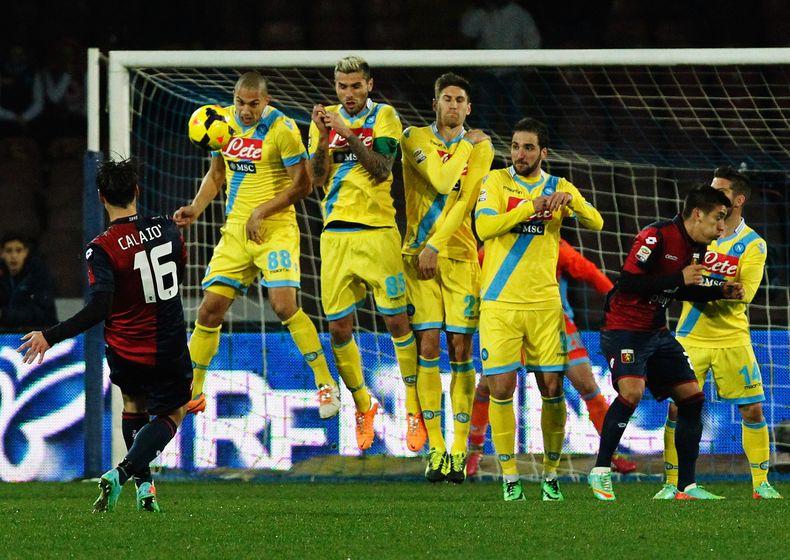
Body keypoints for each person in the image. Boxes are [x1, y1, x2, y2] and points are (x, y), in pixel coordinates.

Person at [16, 157, 191, 513]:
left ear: (100, 197)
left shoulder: (102, 247)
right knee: (172, 414)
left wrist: (50, 336)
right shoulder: (168, 228)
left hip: (126, 347)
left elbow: (99, 308)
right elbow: (178, 275)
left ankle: (146, 491)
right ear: (137, 191)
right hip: (168, 342)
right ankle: (125, 473)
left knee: (133, 406)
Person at [174, 71, 342, 422]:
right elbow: (217, 174)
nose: (246, 110)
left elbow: (304, 185)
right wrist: (196, 207)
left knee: (283, 305)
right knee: (209, 310)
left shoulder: (282, 129)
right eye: (240, 102)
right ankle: (192, 391)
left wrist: (262, 212)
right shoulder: (221, 123)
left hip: (275, 228)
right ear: (233, 99)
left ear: (266, 101)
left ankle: (326, 382)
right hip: (236, 230)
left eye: (253, 104)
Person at [475, 117, 603, 501]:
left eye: (528, 147)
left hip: (545, 306)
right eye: (515, 146)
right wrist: (530, 208)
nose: (519, 154)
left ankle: (550, 475)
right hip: (499, 303)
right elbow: (485, 228)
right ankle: (510, 477)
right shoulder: (496, 182)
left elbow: (596, 222)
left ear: (543, 152)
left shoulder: (558, 186)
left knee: (552, 388)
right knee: (501, 386)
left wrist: (571, 202)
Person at [589, 185, 744, 501]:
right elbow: (629, 282)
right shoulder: (655, 236)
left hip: (656, 332)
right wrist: (679, 279)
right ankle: (601, 471)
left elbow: (680, 289)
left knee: (692, 398)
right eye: (718, 218)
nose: (722, 228)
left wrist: (719, 292)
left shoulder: (697, 247)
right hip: (623, 328)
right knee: (631, 391)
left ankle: (685, 487)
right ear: (697, 214)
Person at [309, 55, 418, 451]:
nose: (349, 94)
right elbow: (317, 179)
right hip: (335, 236)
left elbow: (383, 168)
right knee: (338, 329)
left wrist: (347, 132)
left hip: (378, 234)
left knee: (397, 324)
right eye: (342, 87)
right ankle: (362, 405)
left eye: (356, 86)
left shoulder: (385, 116)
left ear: (369, 85)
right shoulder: (322, 123)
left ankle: (415, 410)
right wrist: (323, 138)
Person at [657, 167, 783, 500]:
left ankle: (761, 484)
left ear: (738, 199)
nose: (712, 195)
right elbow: (680, 279)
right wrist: (716, 285)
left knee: (752, 410)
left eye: (721, 191)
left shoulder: (753, 244)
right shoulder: (694, 234)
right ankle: (673, 484)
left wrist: (708, 283)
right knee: (676, 409)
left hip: (732, 339)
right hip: (690, 336)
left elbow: (747, 292)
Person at [466, 239, 637, 478]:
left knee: (587, 385)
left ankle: (612, 453)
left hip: (555, 324)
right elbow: (471, 272)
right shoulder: (498, 243)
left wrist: (616, 303)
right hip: (510, 324)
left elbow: (588, 271)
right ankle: (474, 450)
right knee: (487, 386)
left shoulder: (553, 244)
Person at [400, 72, 494, 482]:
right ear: (434, 104)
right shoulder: (413, 138)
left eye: (460, 100)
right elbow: (440, 180)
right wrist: (463, 147)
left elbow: (464, 202)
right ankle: (435, 449)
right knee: (428, 343)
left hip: (455, 254)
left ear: (468, 108)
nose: (453, 105)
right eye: (446, 99)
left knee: (460, 349)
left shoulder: (485, 146)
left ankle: (459, 450)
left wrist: (436, 246)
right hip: (415, 255)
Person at [459, 1, 541, 132]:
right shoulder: (480, 13)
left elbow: (532, 40)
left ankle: (517, 148)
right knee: (484, 116)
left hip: (513, 72)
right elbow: (467, 31)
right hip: (486, 72)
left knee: (515, 115)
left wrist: (529, 66)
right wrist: (480, 10)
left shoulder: (519, 13)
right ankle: (483, 149)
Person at [0, 232, 58, 330]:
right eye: (9, 251)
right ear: (1, 253)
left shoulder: (39, 274)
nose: (13, 256)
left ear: (26, 252)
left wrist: (4, 314)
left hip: (40, 334)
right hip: (6, 336)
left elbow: (43, 313)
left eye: (18, 250)